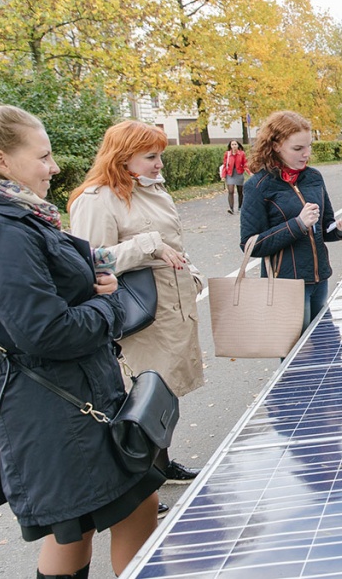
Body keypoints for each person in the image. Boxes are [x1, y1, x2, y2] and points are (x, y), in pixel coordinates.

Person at [0, 105, 160, 578]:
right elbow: (44, 330)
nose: (54, 167)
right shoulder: (7, 230)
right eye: (43, 156)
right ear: (2, 160)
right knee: (82, 527)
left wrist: (94, 277)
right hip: (55, 411)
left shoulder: (23, 215)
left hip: (72, 400)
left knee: (85, 526)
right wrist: (110, 307)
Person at [68, 120, 205, 491]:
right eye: (150, 156)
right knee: (143, 395)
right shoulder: (97, 199)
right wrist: (146, 245)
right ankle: (141, 485)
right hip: (138, 315)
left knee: (166, 392)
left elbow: (173, 243)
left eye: (160, 155)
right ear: (123, 157)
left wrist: (191, 274)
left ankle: (160, 465)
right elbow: (89, 263)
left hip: (172, 308)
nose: (159, 164)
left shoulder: (152, 190)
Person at [240, 111, 342, 330]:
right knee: (296, 356)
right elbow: (250, 244)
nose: (306, 154)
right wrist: (297, 225)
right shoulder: (258, 185)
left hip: (319, 278)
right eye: (298, 148)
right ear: (276, 146)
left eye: (309, 146)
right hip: (286, 285)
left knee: (325, 348)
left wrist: (341, 229)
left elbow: (324, 228)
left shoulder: (313, 177)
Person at [221, 139, 247, 214]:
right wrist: (223, 175)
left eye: (235, 144)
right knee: (231, 191)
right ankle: (231, 208)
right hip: (230, 173)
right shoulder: (227, 154)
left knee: (240, 191)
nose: (234, 146)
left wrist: (249, 171)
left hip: (239, 173)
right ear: (230, 146)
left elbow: (245, 163)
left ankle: (240, 207)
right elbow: (225, 165)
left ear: (238, 145)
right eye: (232, 144)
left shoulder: (242, 153)